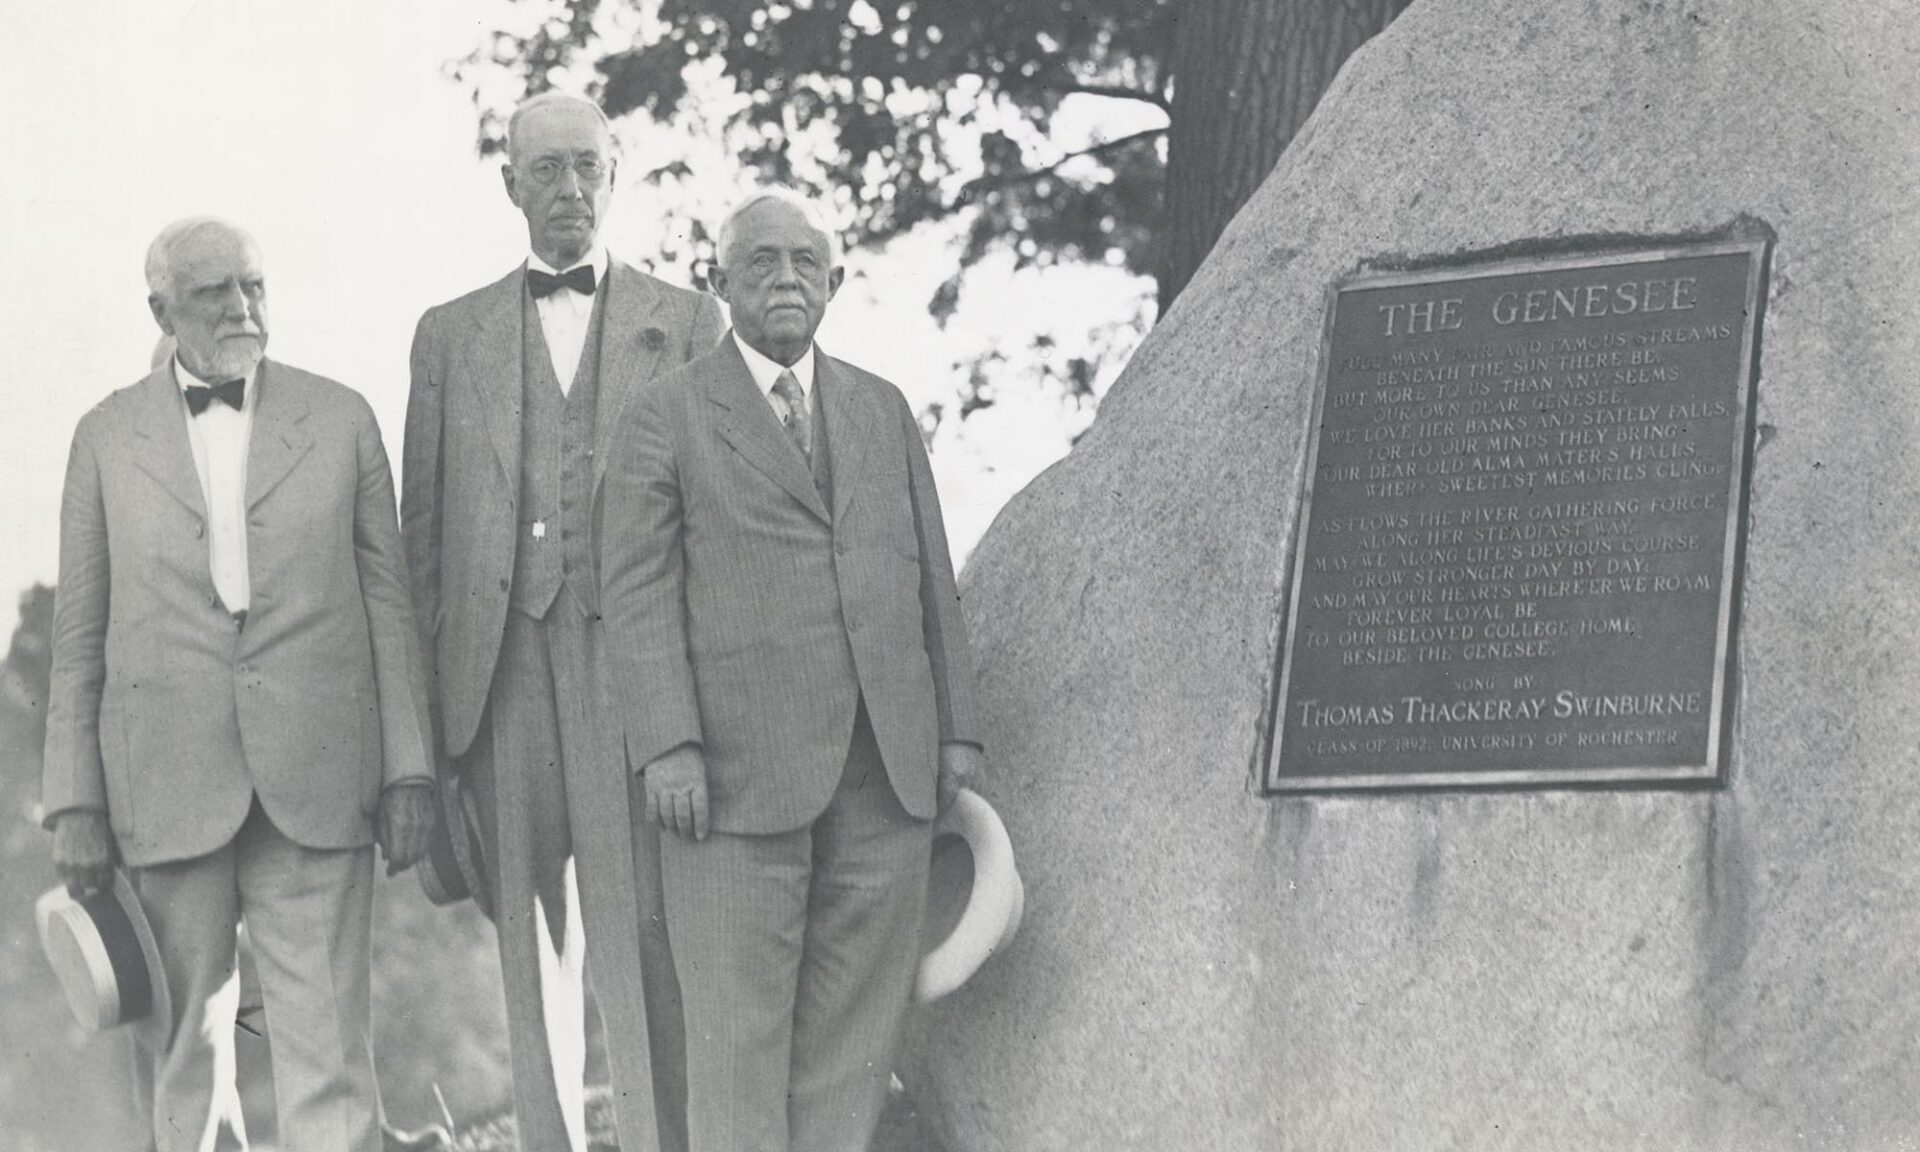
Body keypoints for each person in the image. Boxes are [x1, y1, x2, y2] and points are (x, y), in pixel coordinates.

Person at [601, 187, 988, 1152]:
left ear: (836, 281)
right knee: (735, 1044)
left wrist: (954, 728)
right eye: (762, 263)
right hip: (730, 779)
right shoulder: (665, 418)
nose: (784, 281)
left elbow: (931, 577)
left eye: (805, 263)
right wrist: (668, 745)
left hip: (884, 769)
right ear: (718, 281)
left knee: (853, 1043)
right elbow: (636, 596)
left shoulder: (882, 409)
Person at [41, 217, 436, 1152]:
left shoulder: (340, 419)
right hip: (163, 784)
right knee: (186, 1047)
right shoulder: (103, 436)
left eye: (252, 285)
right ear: (161, 309)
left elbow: (390, 605)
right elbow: (78, 637)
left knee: (330, 1042)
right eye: (213, 290)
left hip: (321, 773)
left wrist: (409, 769)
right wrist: (74, 802)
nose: (240, 306)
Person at [401, 91, 725, 1152]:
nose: (570, 190)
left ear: (615, 173)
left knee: (640, 922)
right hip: (497, 673)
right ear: (510, 185)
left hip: (638, 664)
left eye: (587, 166)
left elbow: (722, 528)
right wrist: (423, 732)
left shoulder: (685, 322)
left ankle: (656, 1136)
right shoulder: (448, 337)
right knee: (523, 919)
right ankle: (549, 1139)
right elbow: (423, 544)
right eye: (545, 171)